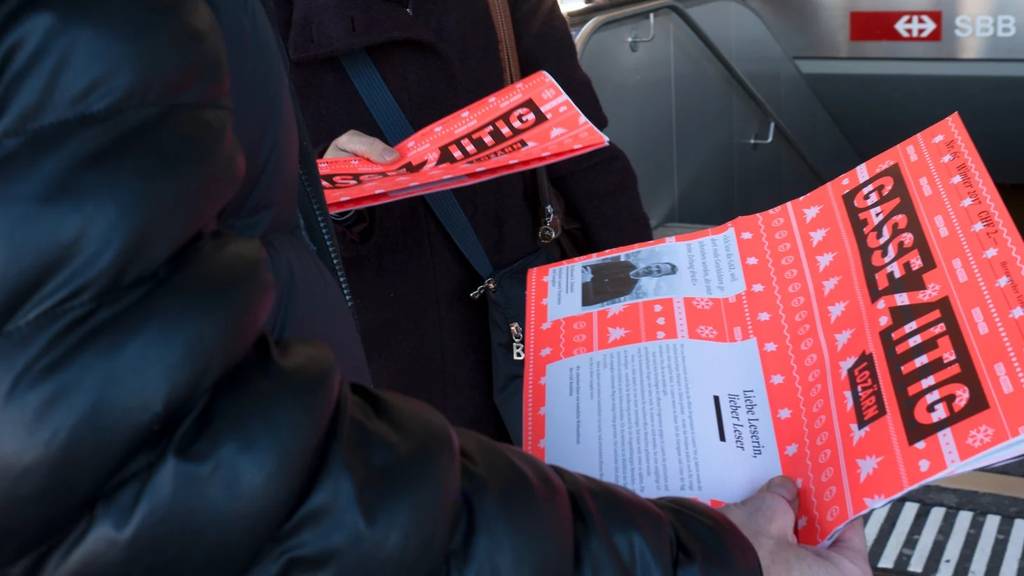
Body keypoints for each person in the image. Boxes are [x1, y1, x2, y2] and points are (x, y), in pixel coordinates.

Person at [0, 1, 872, 574]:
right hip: (382, 421)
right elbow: (197, 468)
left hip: (525, 392)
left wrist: (662, 318)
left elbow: (583, 143)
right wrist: (306, 192)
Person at [272, 0, 654, 441]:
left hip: (530, 326)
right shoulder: (249, 22)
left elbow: (585, 150)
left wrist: (644, 312)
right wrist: (323, 188)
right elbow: (236, 207)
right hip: (380, 367)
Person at [582, 260, 679, 306]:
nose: (653, 269)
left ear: (656, 276)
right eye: (657, 266)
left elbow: (589, 301)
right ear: (652, 263)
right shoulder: (625, 264)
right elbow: (590, 267)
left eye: (658, 271)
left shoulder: (627, 290)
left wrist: (587, 281)